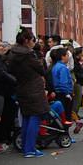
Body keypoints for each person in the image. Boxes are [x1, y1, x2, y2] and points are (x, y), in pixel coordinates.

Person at [8, 28, 50, 158]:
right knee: (34, 117)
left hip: (21, 87)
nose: (34, 42)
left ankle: (26, 146)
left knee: (26, 117)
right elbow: (41, 69)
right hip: (33, 88)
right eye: (33, 40)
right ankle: (30, 148)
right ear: (26, 41)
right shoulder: (28, 54)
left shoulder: (12, 53)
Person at [51, 48, 74, 125]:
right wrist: (67, 94)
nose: (68, 56)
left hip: (58, 93)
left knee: (60, 116)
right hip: (64, 94)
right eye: (67, 55)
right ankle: (65, 135)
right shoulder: (63, 68)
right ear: (62, 56)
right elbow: (63, 83)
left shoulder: (55, 66)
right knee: (66, 116)